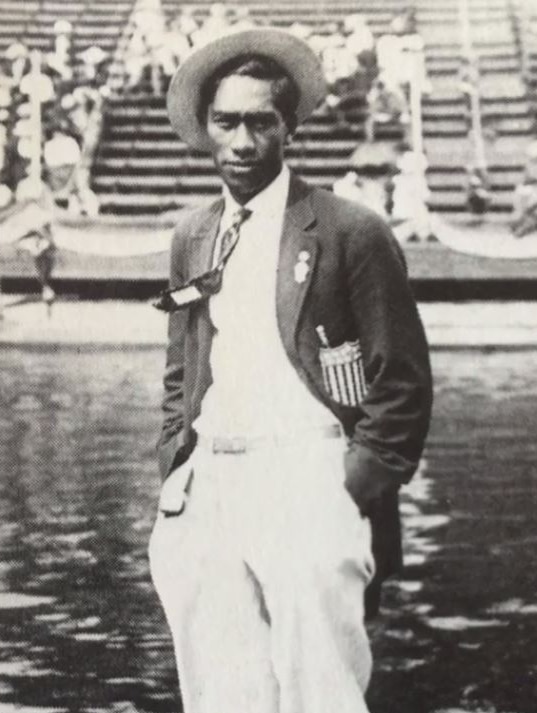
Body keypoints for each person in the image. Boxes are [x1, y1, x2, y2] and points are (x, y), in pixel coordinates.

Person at [149, 27, 433, 713]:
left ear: (288, 128)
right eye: (226, 122)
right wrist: (175, 464)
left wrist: (348, 489)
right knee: (221, 694)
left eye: (259, 122)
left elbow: (401, 384)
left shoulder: (348, 231)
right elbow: (181, 370)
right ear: (203, 128)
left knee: (320, 691)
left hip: (310, 480)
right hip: (209, 483)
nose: (242, 142)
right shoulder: (193, 234)